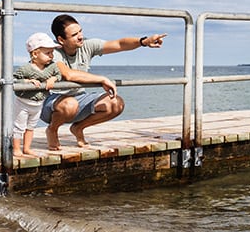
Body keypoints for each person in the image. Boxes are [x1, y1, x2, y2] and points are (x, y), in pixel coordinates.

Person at [42, 14, 167, 150]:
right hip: (51, 103)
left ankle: (78, 128)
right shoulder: (53, 52)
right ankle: (52, 130)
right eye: (74, 35)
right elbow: (68, 74)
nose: (80, 36)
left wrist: (144, 41)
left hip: (79, 98)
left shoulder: (86, 45)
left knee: (115, 103)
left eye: (80, 31)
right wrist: (102, 79)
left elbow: (119, 44)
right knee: (70, 104)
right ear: (61, 39)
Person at [12, 32, 62, 158]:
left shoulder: (51, 67)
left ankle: (27, 148)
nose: (51, 56)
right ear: (35, 54)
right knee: (19, 126)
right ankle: (16, 148)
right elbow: (13, 80)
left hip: (38, 103)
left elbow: (59, 75)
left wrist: (53, 80)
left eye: (52, 53)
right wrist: (27, 82)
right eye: (48, 53)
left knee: (31, 126)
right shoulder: (25, 69)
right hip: (23, 103)